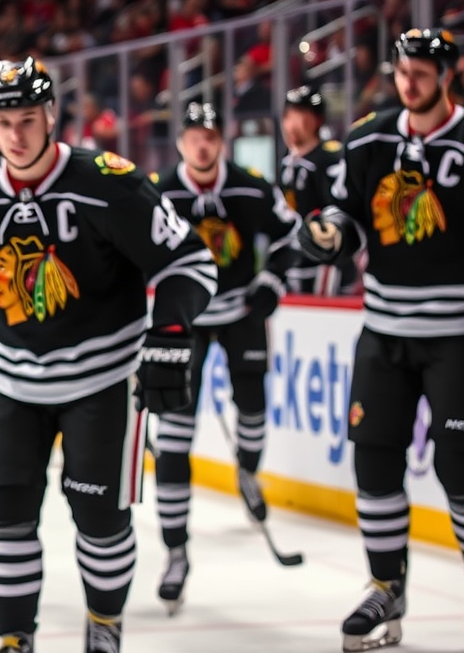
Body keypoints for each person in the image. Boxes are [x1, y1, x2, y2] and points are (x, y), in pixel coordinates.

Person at [0, 57, 217, 653]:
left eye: (28, 119)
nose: (16, 135)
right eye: (4, 122)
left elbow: (190, 263)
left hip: (104, 383)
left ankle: (104, 625)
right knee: (2, 518)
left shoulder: (109, 182)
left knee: (101, 521)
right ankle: (14, 638)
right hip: (9, 383)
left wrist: (170, 331)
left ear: (51, 114)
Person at [297, 28, 464, 652]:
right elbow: (346, 213)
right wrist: (328, 235)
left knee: (459, 464)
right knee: (373, 461)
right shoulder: (368, 138)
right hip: (385, 331)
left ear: (448, 75)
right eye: (402, 71)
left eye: (422, 71)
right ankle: (386, 586)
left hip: (460, 338)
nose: (409, 81)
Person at [148, 102, 301, 615]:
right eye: (194, 135)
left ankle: (248, 472)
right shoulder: (159, 193)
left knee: (253, 407)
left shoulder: (250, 187)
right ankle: (175, 552)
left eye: (211, 136)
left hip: (240, 311)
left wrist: (271, 282)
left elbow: (291, 237)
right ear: (180, 142)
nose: (203, 144)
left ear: (222, 140)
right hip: (183, 321)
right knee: (174, 436)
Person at [277, 84, 358, 295]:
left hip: (327, 264)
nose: (293, 125)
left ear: (318, 120)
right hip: (295, 259)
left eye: (302, 117)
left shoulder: (331, 158)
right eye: (289, 116)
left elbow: (343, 211)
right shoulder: (287, 161)